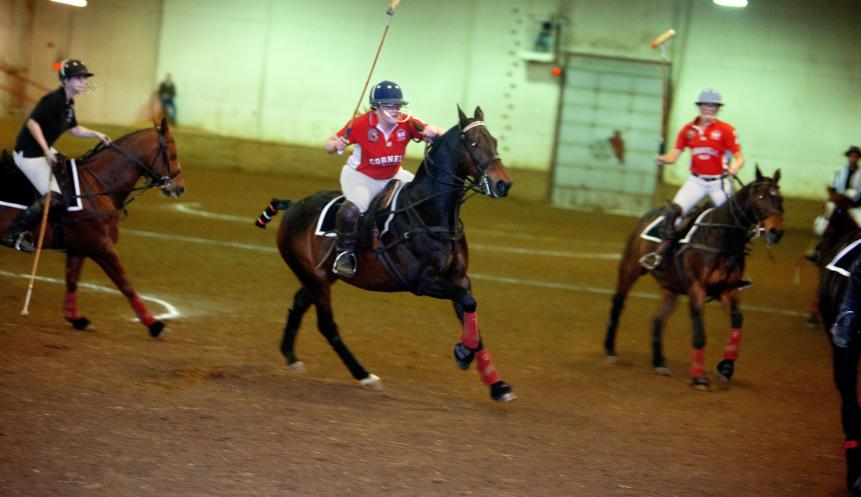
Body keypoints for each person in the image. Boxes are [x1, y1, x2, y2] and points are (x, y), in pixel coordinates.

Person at [324, 80, 444, 277]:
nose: (396, 110)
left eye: (398, 105)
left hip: (393, 174)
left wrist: (435, 130)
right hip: (362, 176)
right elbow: (328, 146)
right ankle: (344, 254)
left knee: (423, 197)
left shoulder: (407, 123)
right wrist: (336, 144)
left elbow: (439, 134)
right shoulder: (361, 124)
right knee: (352, 209)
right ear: (376, 108)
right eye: (390, 106)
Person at [1, 59, 111, 252]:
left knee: (68, 175)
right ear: (66, 80)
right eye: (78, 78)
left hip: (42, 150)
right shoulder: (53, 101)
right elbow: (32, 124)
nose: (83, 81)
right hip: (29, 153)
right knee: (54, 195)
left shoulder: (69, 104)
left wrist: (96, 133)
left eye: (84, 78)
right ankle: (14, 233)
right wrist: (45, 150)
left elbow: (74, 129)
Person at [639, 88, 745, 271]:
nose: (709, 108)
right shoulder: (688, 131)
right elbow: (674, 156)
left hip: (719, 183)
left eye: (713, 106)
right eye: (706, 104)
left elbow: (739, 157)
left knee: (733, 221)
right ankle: (659, 254)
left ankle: (736, 265)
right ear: (700, 106)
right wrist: (663, 158)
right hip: (696, 182)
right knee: (674, 213)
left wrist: (735, 167)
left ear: (718, 108)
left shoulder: (726, 130)